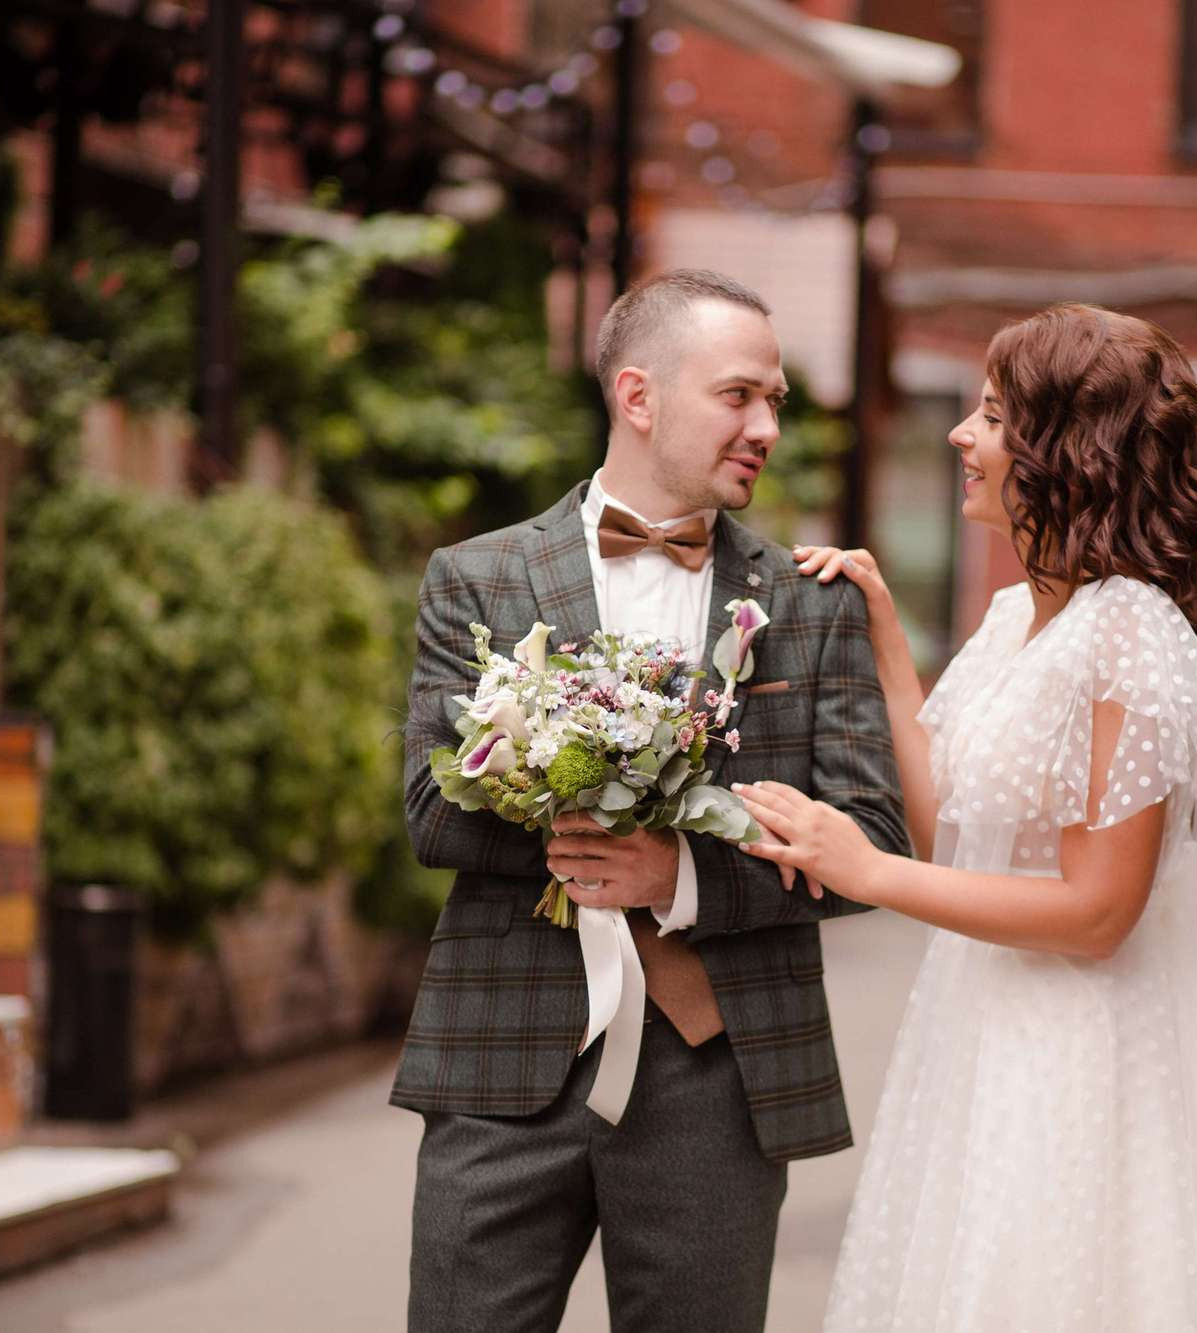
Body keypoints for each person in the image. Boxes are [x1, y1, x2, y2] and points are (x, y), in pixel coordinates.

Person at [732, 304, 1197, 1330]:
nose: (962, 436)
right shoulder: (1016, 613)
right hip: (981, 1031)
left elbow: (1100, 913)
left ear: (1068, 453)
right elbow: (948, 836)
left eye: (994, 418)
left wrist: (857, 869)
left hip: (1081, 1057)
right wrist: (886, 648)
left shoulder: (1129, 632)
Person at [393, 269, 911, 1332]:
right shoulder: (476, 577)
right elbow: (432, 813)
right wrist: (574, 806)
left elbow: (871, 839)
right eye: (737, 396)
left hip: (715, 1077)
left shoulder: (810, 604)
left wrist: (682, 876)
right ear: (638, 395)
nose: (765, 424)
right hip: (500, 1056)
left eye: (774, 400)